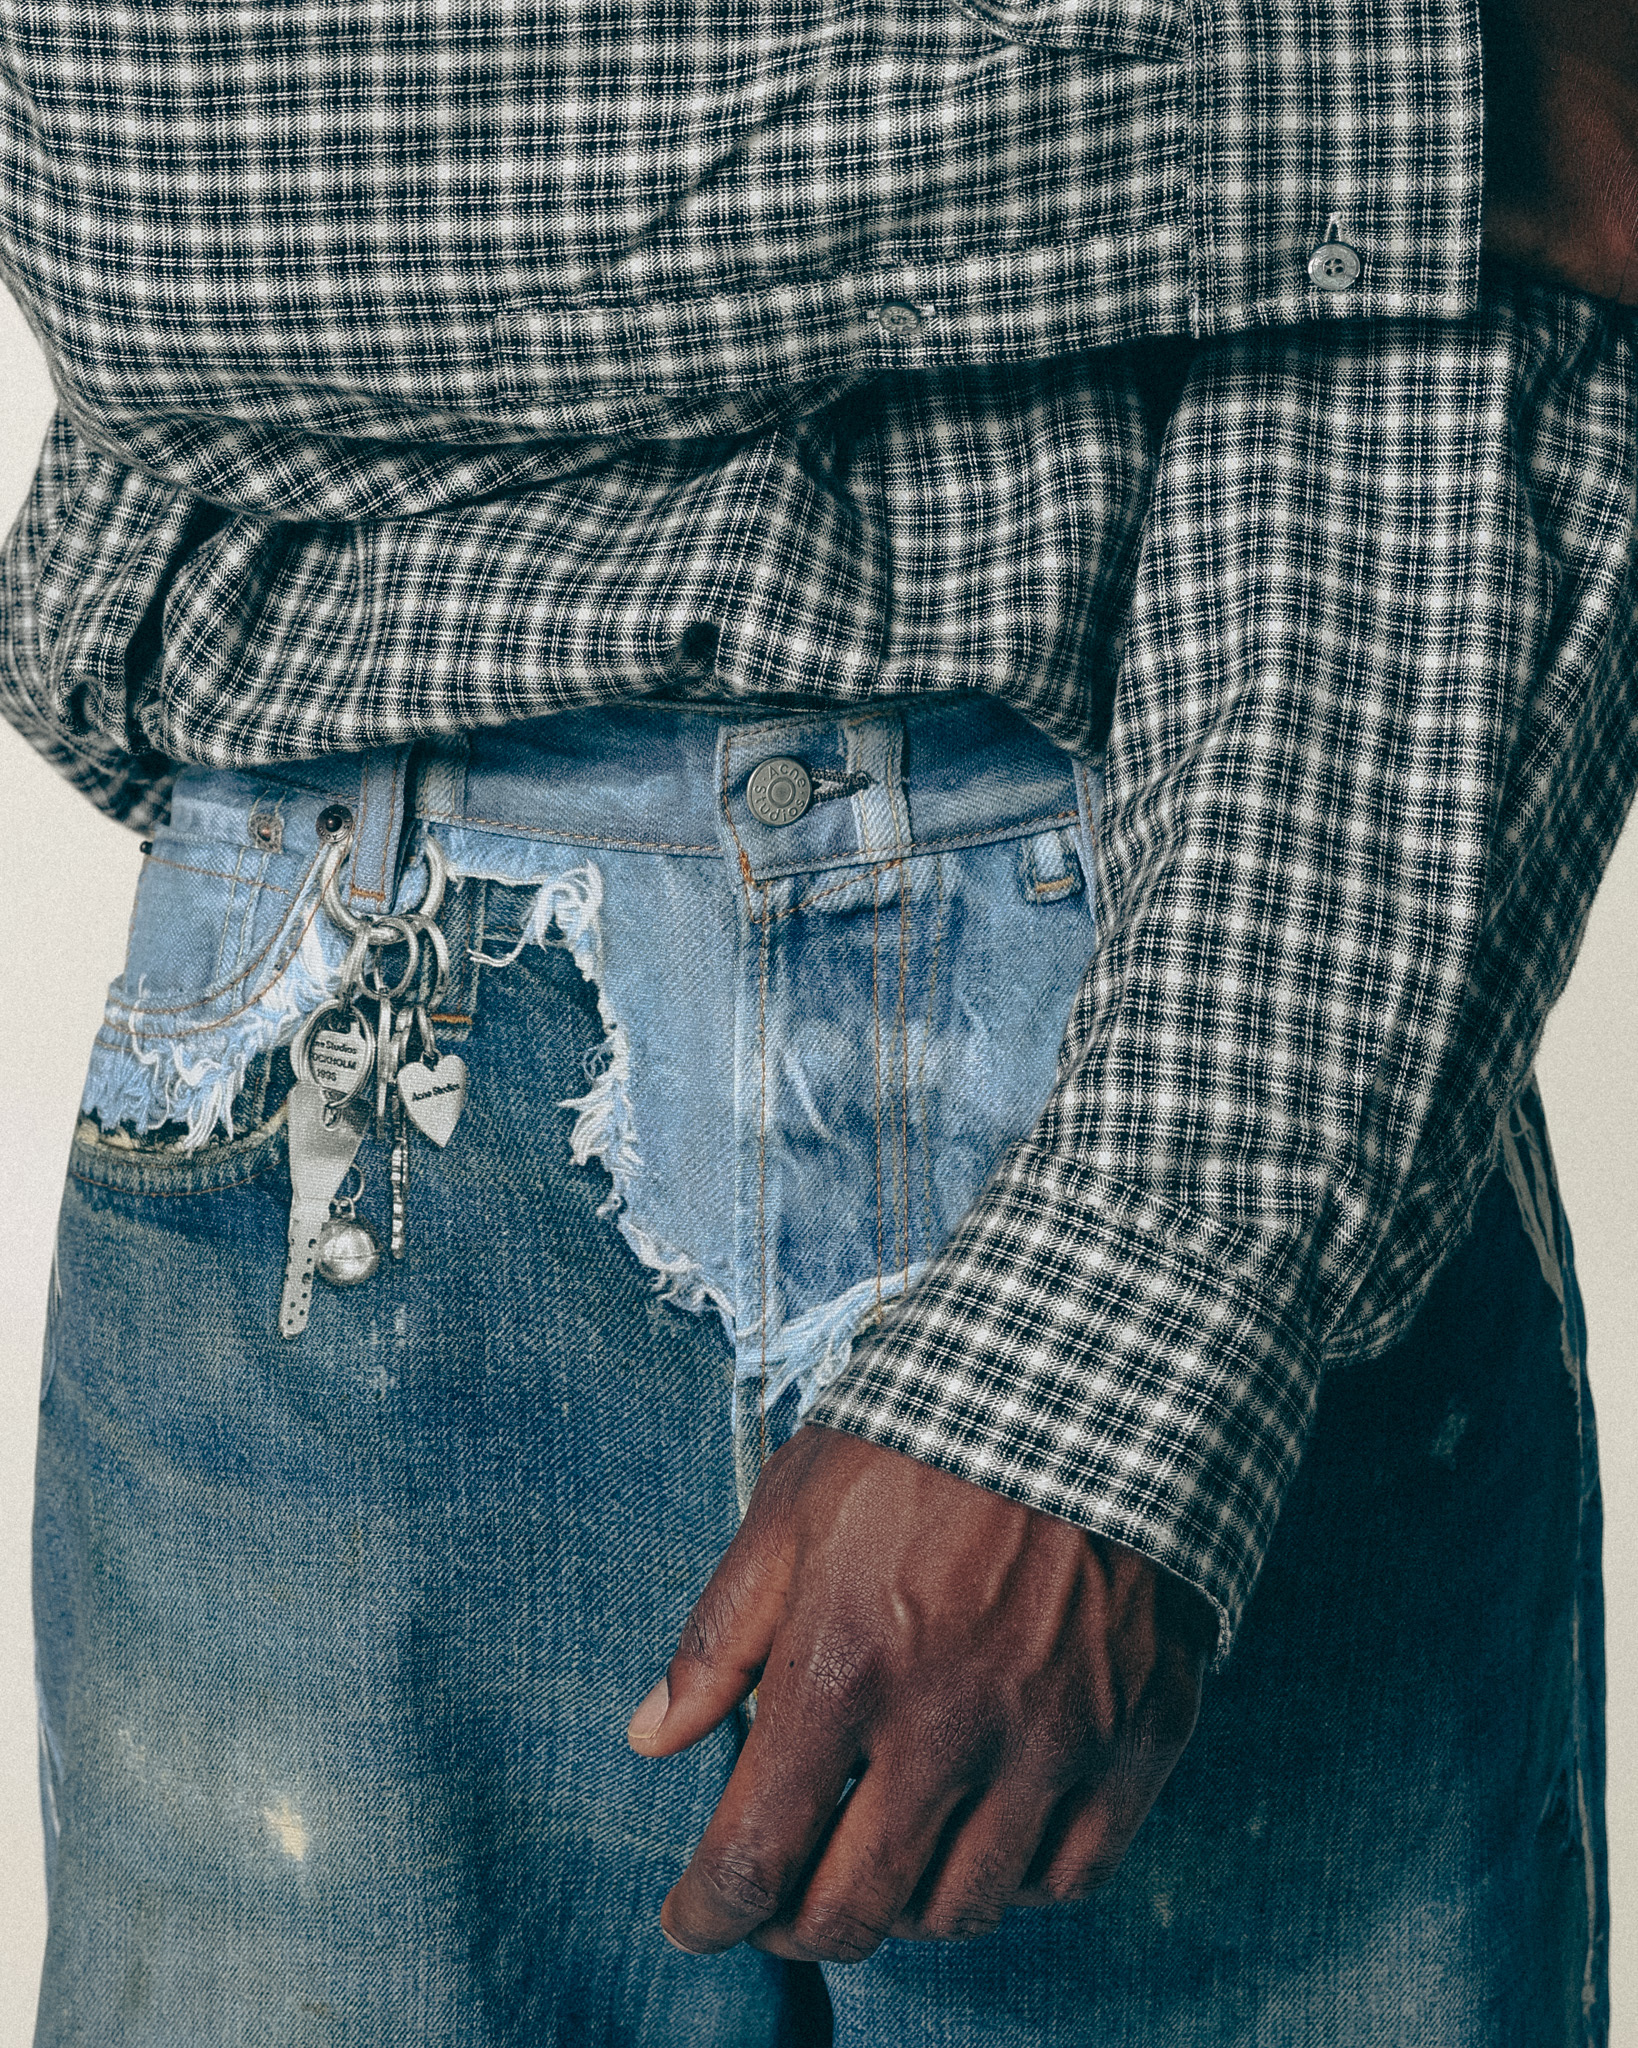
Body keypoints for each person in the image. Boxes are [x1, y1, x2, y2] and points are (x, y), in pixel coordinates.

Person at [1, 0, 1635, 2036]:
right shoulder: (1418, 79)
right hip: (376, 1034)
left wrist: (1148, 1289)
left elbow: (1529, 273)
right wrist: (1413, 103)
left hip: (1238, 953)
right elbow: (173, 186)